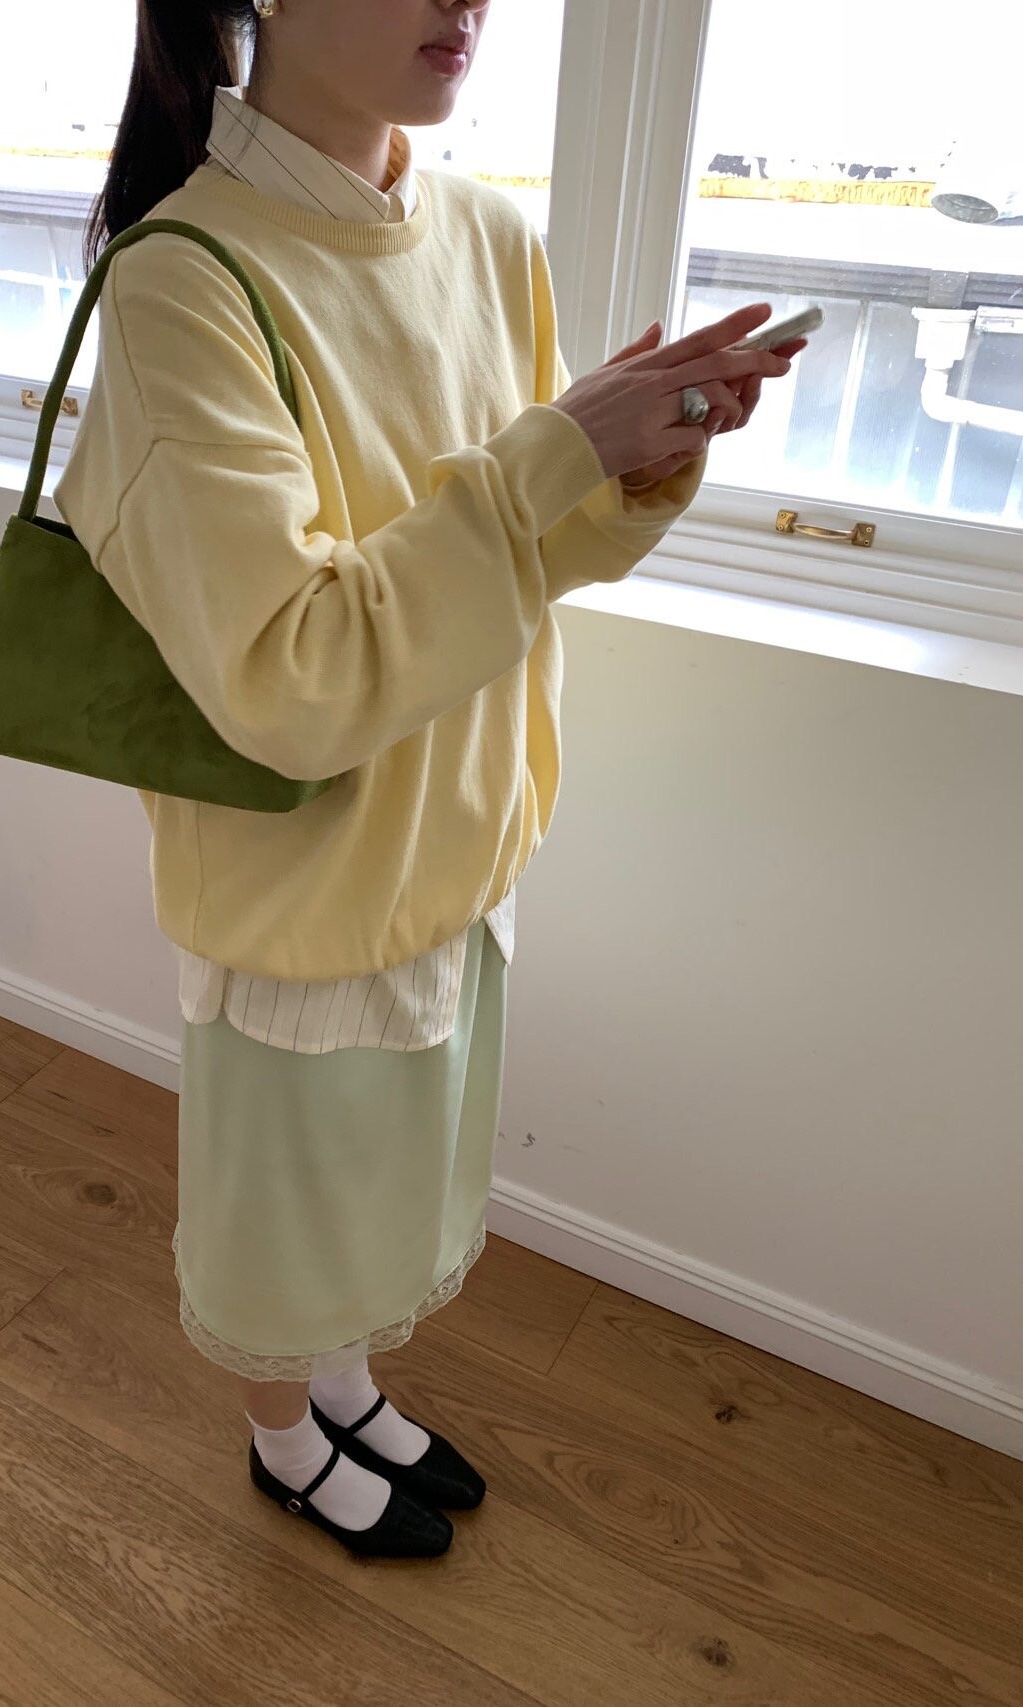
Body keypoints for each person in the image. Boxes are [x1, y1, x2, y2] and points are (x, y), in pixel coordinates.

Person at [55, 0, 801, 1561]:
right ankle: (284, 1442)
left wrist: (634, 455)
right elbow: (293, 677)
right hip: (304, 874)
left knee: (384, 1188)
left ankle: (347, 1387)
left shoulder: (487, 236)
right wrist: (555, 450)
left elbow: (527, 556)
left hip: (463, 836)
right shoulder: (183, 282)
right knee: (282, 1219)